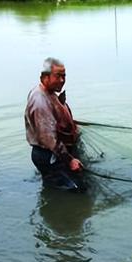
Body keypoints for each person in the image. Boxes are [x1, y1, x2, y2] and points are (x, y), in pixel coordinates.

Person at [25, 57, 84, 191]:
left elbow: (55, 119)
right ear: (45, 77)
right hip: (48, 154)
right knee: (76, 190)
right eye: (58, 76)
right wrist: (70, 160)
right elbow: (48, 138)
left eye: (64, 76)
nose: (62, 80)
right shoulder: (40, 101)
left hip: (55, 152)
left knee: (59, 186)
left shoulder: (49, 92)